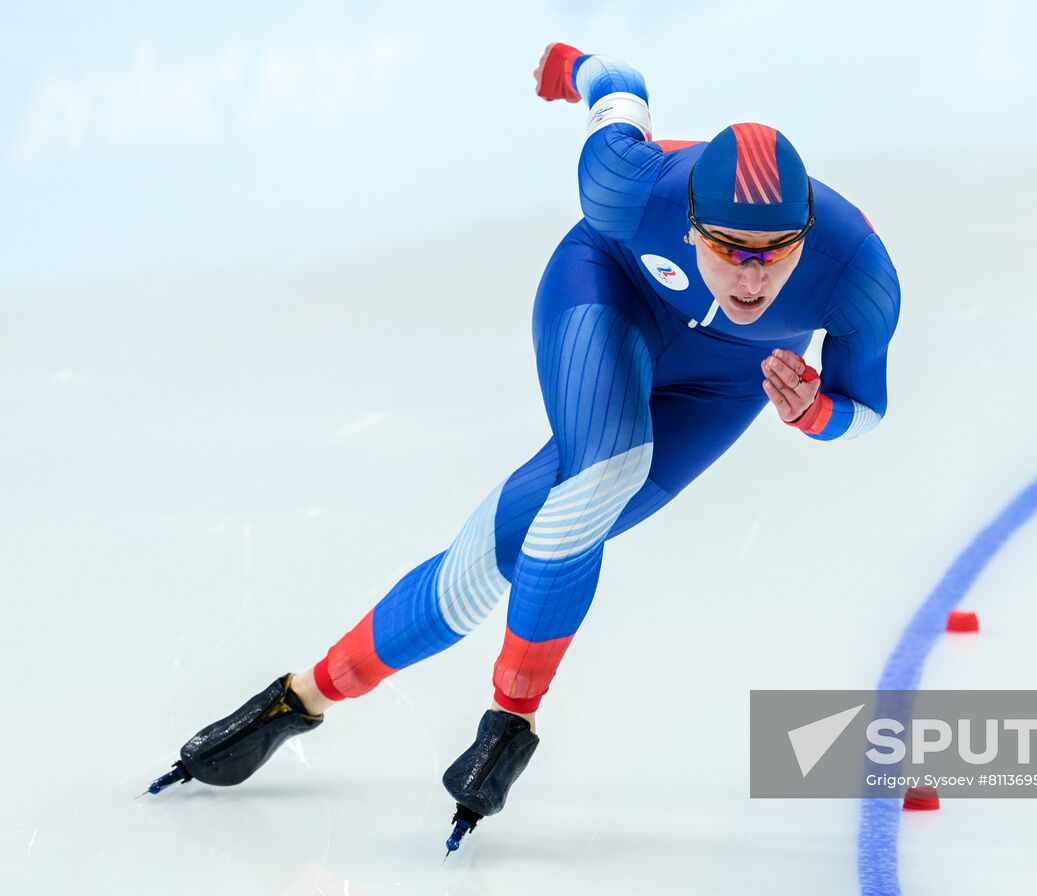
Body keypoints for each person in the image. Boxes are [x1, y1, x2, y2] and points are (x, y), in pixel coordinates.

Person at [147, 42, 901, 853]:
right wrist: (570, 65)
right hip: (605, 299)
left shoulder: (856, 270)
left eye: (775, 252)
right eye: (727, 248)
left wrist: (814, 410)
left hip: (716, 392)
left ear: (807, 233)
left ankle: (299, 698)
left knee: (490, 561)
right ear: (688, 223)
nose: (751, 278)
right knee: (605, 469)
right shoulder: (628, 187)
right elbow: (619, 85)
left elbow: (866, 410)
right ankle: (512, 720)